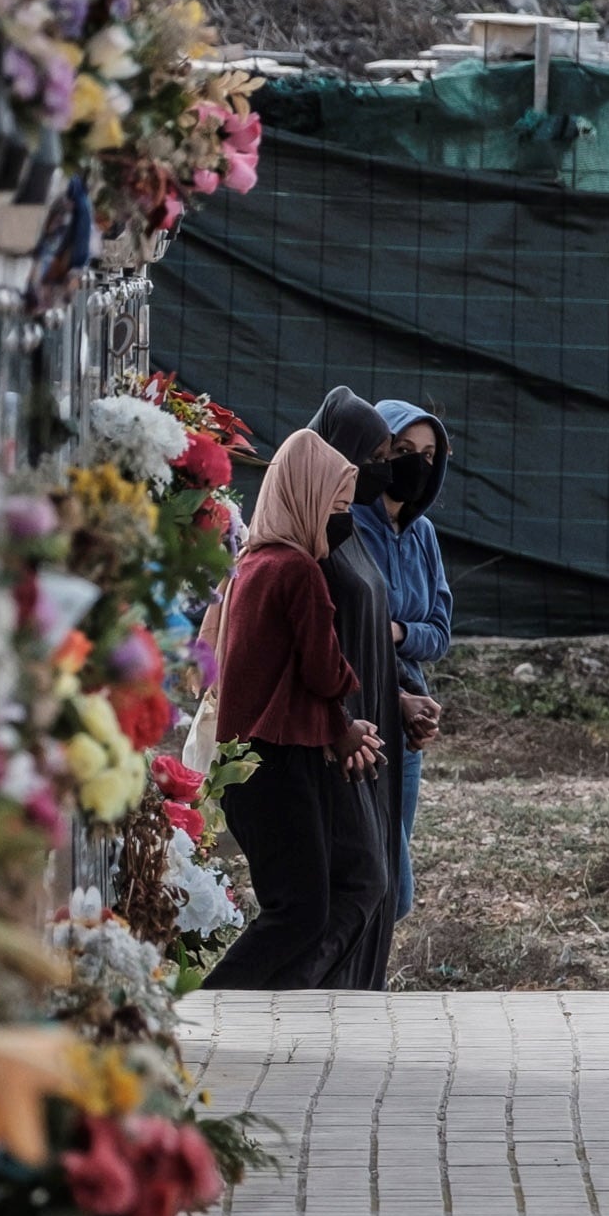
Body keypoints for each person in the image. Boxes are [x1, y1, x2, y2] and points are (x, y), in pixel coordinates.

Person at [201, 431, 388, 990]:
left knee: (299, 906)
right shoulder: (296, 570)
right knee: (299, 911)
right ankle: (204, 1011)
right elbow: (324, 670)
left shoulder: (251, 564)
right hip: (278, 762)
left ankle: (247, 1016)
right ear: (306, 499)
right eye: (335, 507)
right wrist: (350, 710)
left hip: (250, 763)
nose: (342, 520)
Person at [307, 386, 409, 989]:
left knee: (376, 878)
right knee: (359, 880)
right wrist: (339, 723)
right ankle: (296, 995)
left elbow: (367, 633)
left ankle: (344, 1004)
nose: (380, 472)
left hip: (370, 731)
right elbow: (316, 647)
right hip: (338, 741)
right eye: (368, 458)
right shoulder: (310, 545)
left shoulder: (349, 532)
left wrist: (398, 699)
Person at [354, 399, 451, 925]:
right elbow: (343, 626)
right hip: (362, 708)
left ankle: (363, 994)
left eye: (430, 454)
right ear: (379, 453)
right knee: (381, 881)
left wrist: (395, 630)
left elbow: (439, 633)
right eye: (404, 450)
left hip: (410, 720)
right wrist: (382, 636)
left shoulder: (425, 535)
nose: (417, 463)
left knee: (391, 876)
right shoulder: (346, 524)